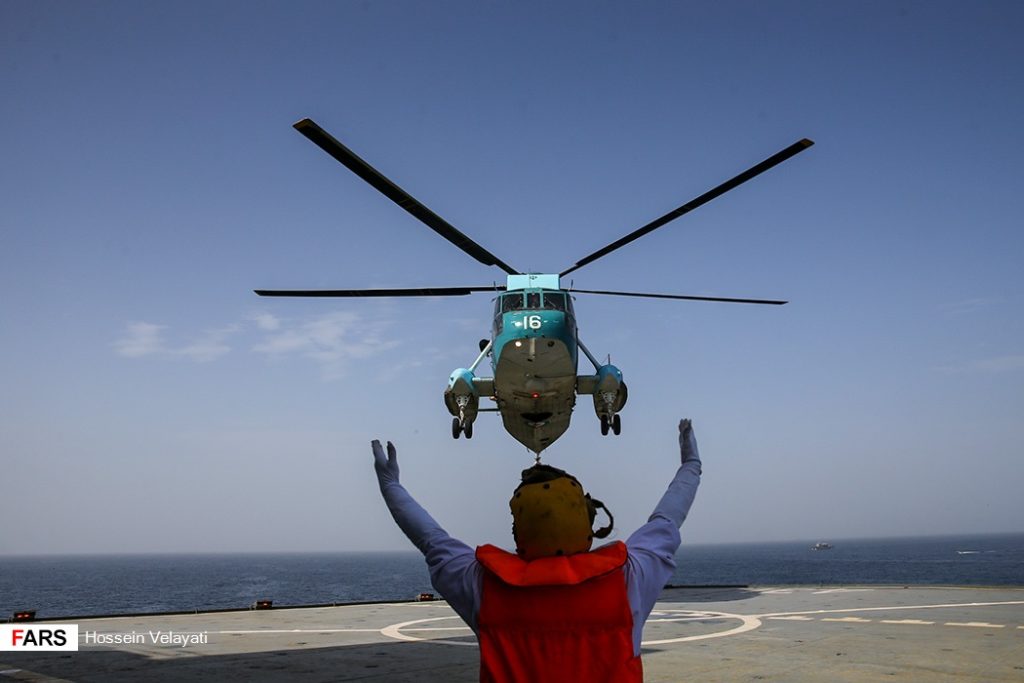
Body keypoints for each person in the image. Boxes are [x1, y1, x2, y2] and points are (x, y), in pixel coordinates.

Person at [371, 418, 702, 683]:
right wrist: (691, 465)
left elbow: (431, 539)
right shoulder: (630, 578)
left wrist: (391, 486)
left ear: (520, 532)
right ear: (587, 526)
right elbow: (668, 517)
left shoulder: (483, 586)